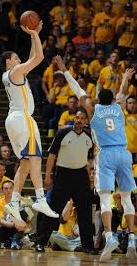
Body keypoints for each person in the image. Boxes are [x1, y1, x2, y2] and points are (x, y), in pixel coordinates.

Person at [55, 55, 137, 262]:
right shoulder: (119, 107)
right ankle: (133, 238)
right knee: (127, 198)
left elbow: (77, 90)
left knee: (104, 198)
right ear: (114, 100)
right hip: (125, 154)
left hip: (106, 155)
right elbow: (122, 92)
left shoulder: (93, 109)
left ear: (100, 99)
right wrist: (126, 77)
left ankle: (109, 236)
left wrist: (64, 69)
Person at [0, 21, 58, 226]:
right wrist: (33, 33)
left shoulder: (10, 75)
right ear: (8, 62)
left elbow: (33, 57)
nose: (19, 59)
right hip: (23, 119)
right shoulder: (15, 72)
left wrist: (36, 35)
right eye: (16, 57)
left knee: (25, 162)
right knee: (35, 159)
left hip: (13, 120)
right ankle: (41, 199)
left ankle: (14, 202)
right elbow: (39, 57)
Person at [36, 109, 96, 254]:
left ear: (86, 121)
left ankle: (88, 246)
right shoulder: (62, 132)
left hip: (81, 176)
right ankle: (40, 242)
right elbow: (51, 156)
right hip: (63, 175)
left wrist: (89, 178)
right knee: (53, 211)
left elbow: (89, 159)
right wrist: (48, 176)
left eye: (82, 118)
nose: (79, 120)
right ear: (73, 118)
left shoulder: (90, 136)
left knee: (85, 212)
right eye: (77, 117)